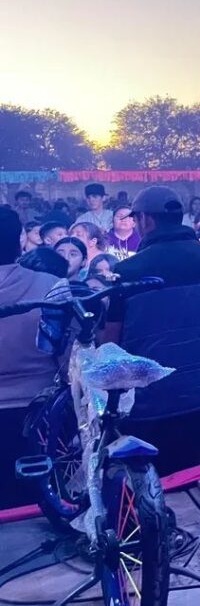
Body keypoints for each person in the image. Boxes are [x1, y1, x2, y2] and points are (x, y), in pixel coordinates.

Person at [101, 186, 200, 473]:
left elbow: (111, 342)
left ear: (147, 221)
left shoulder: (127, 272)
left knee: (158, 487)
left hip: (152, 404)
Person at [0, 208, 60, 510]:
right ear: (21, 240)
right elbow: (69, 350)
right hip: (42, 411)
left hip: (40, 410)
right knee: (42, 503)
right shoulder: (51, 285)